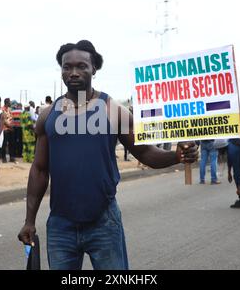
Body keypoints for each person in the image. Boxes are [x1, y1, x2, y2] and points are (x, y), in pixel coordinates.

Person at [17, 40, 198, 270]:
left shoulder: (113, 110)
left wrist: (177, 156)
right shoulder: (47, 116)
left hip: (103, 222)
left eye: (81, 66)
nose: (73, 72)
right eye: (67, 67)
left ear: (94, 69)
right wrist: (29, 220)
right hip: (60, 225)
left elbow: (145, 152)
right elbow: (40, 170)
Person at [0, 98, 16, 163]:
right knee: (4, 144)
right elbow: (3, 120)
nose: (10, 103)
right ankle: (4, 158)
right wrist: (9, 126)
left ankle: (11, 157)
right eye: (9, 102)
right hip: (5, 129)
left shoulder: (10, 109)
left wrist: (12, 125)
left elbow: (12, 118)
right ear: (6, 102)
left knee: (11, 143)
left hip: (10, 129)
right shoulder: (2, 110)